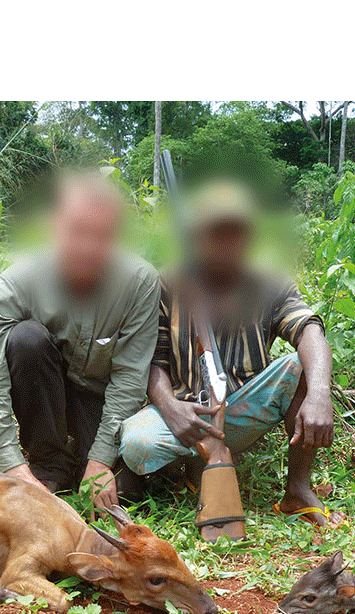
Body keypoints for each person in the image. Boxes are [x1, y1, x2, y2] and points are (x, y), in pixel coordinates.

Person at [119, 180, 341, 528]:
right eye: (214, 233)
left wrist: (320, 394)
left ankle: (297, 490)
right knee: (136, 444)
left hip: (245, 409)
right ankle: (193, 468)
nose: (225, 243)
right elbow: (154, 359)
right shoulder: (167, 283)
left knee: (302, 366)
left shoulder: (269, 282)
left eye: (234, 232)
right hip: (185, 415)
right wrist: (170, 407)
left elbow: (309, 329)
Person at [0, 172, 160, 509]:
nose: (89, 247)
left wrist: (100, 462)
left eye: (102, 235)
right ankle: (49, 461)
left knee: (125, 492)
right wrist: (15, 469)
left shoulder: (139, 282)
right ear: (54, 225)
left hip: (96, 397)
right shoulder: (20, 280)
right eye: (77, 230)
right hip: (42, 393)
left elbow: (129, 378)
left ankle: (82, 460)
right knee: (26, 339)